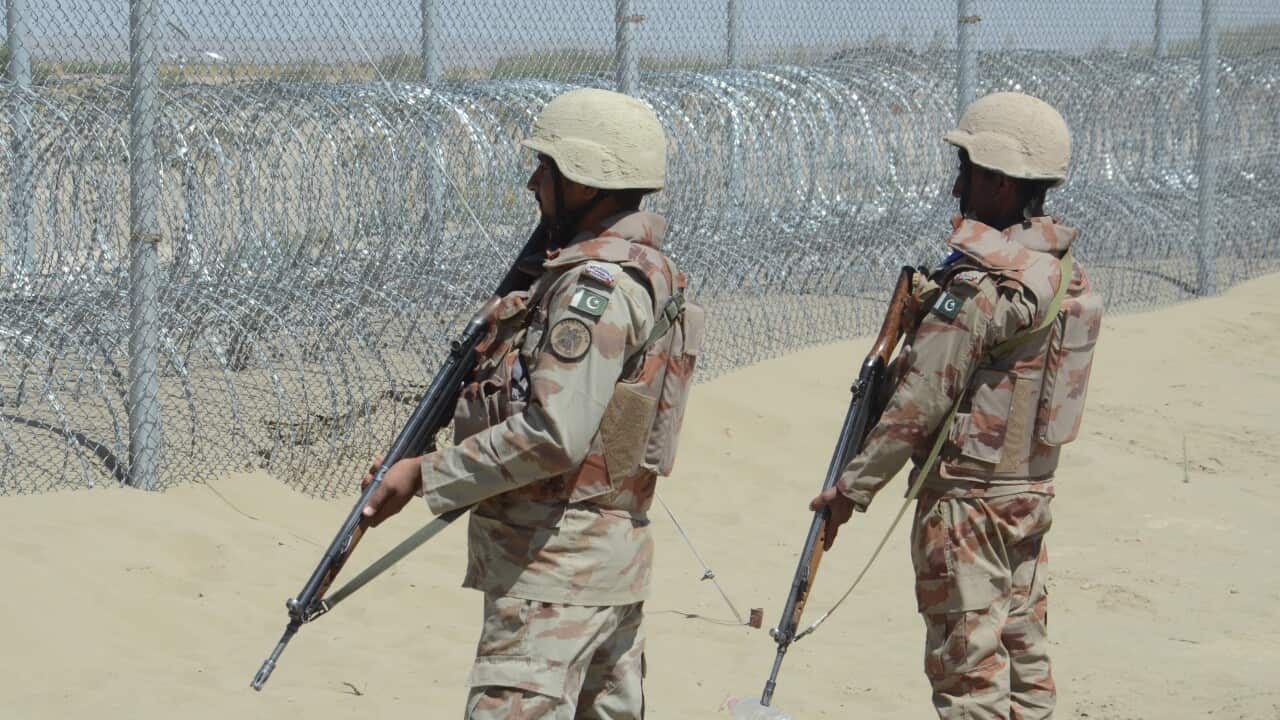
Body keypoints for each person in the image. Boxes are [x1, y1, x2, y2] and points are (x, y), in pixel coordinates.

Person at [358, 87, 704, 719]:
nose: (532, 182)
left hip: (554, 577)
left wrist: (425, 475)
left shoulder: (589, 288)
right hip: (604, 571)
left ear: (586, 183)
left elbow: (555, 433)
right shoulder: (646, 270)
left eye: (547, 168)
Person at [810, 91, 1103, 720]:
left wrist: (851, 490)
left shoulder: (981, 285)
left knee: (969, 679)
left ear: (998, 181)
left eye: (967, 169)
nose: (956, 186)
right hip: (1027, 495)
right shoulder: (1059, 272)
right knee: (1024, 663)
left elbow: (919, 402)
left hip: (968, 507)